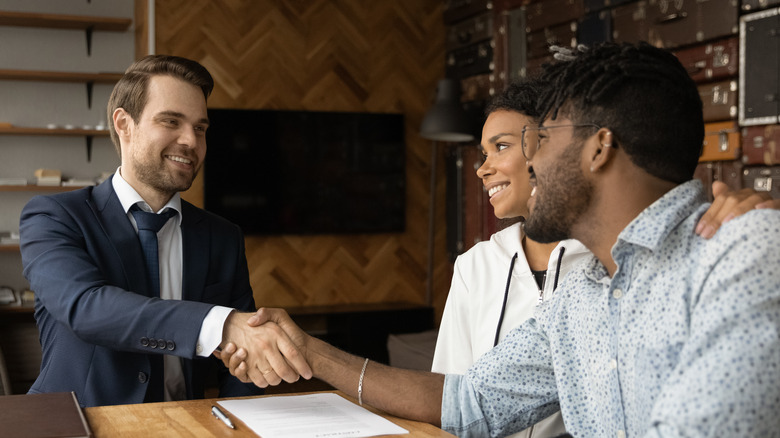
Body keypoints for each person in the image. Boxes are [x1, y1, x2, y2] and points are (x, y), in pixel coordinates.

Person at [222, 42, 780, 437]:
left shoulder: (744, 253)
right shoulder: (582, 296)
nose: (530, 160)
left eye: (544, 138)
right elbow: (468, 401)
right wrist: (309, 351)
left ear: (598, 147)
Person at [433, 78, 776, 438]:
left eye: (503, 147)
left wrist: (755, 223)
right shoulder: (501, 271)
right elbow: (464, 399)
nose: (482, 169)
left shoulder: (623, 260)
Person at [19, 55, 311, 407]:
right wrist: (219, 323)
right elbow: (87, 308)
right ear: (124, 124)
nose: (191, 140)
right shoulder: (54, 217)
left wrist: (236, 421)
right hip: (76, 424)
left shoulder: (223, 237)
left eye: (200, 128)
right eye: (171, 121)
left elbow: (240, 365)